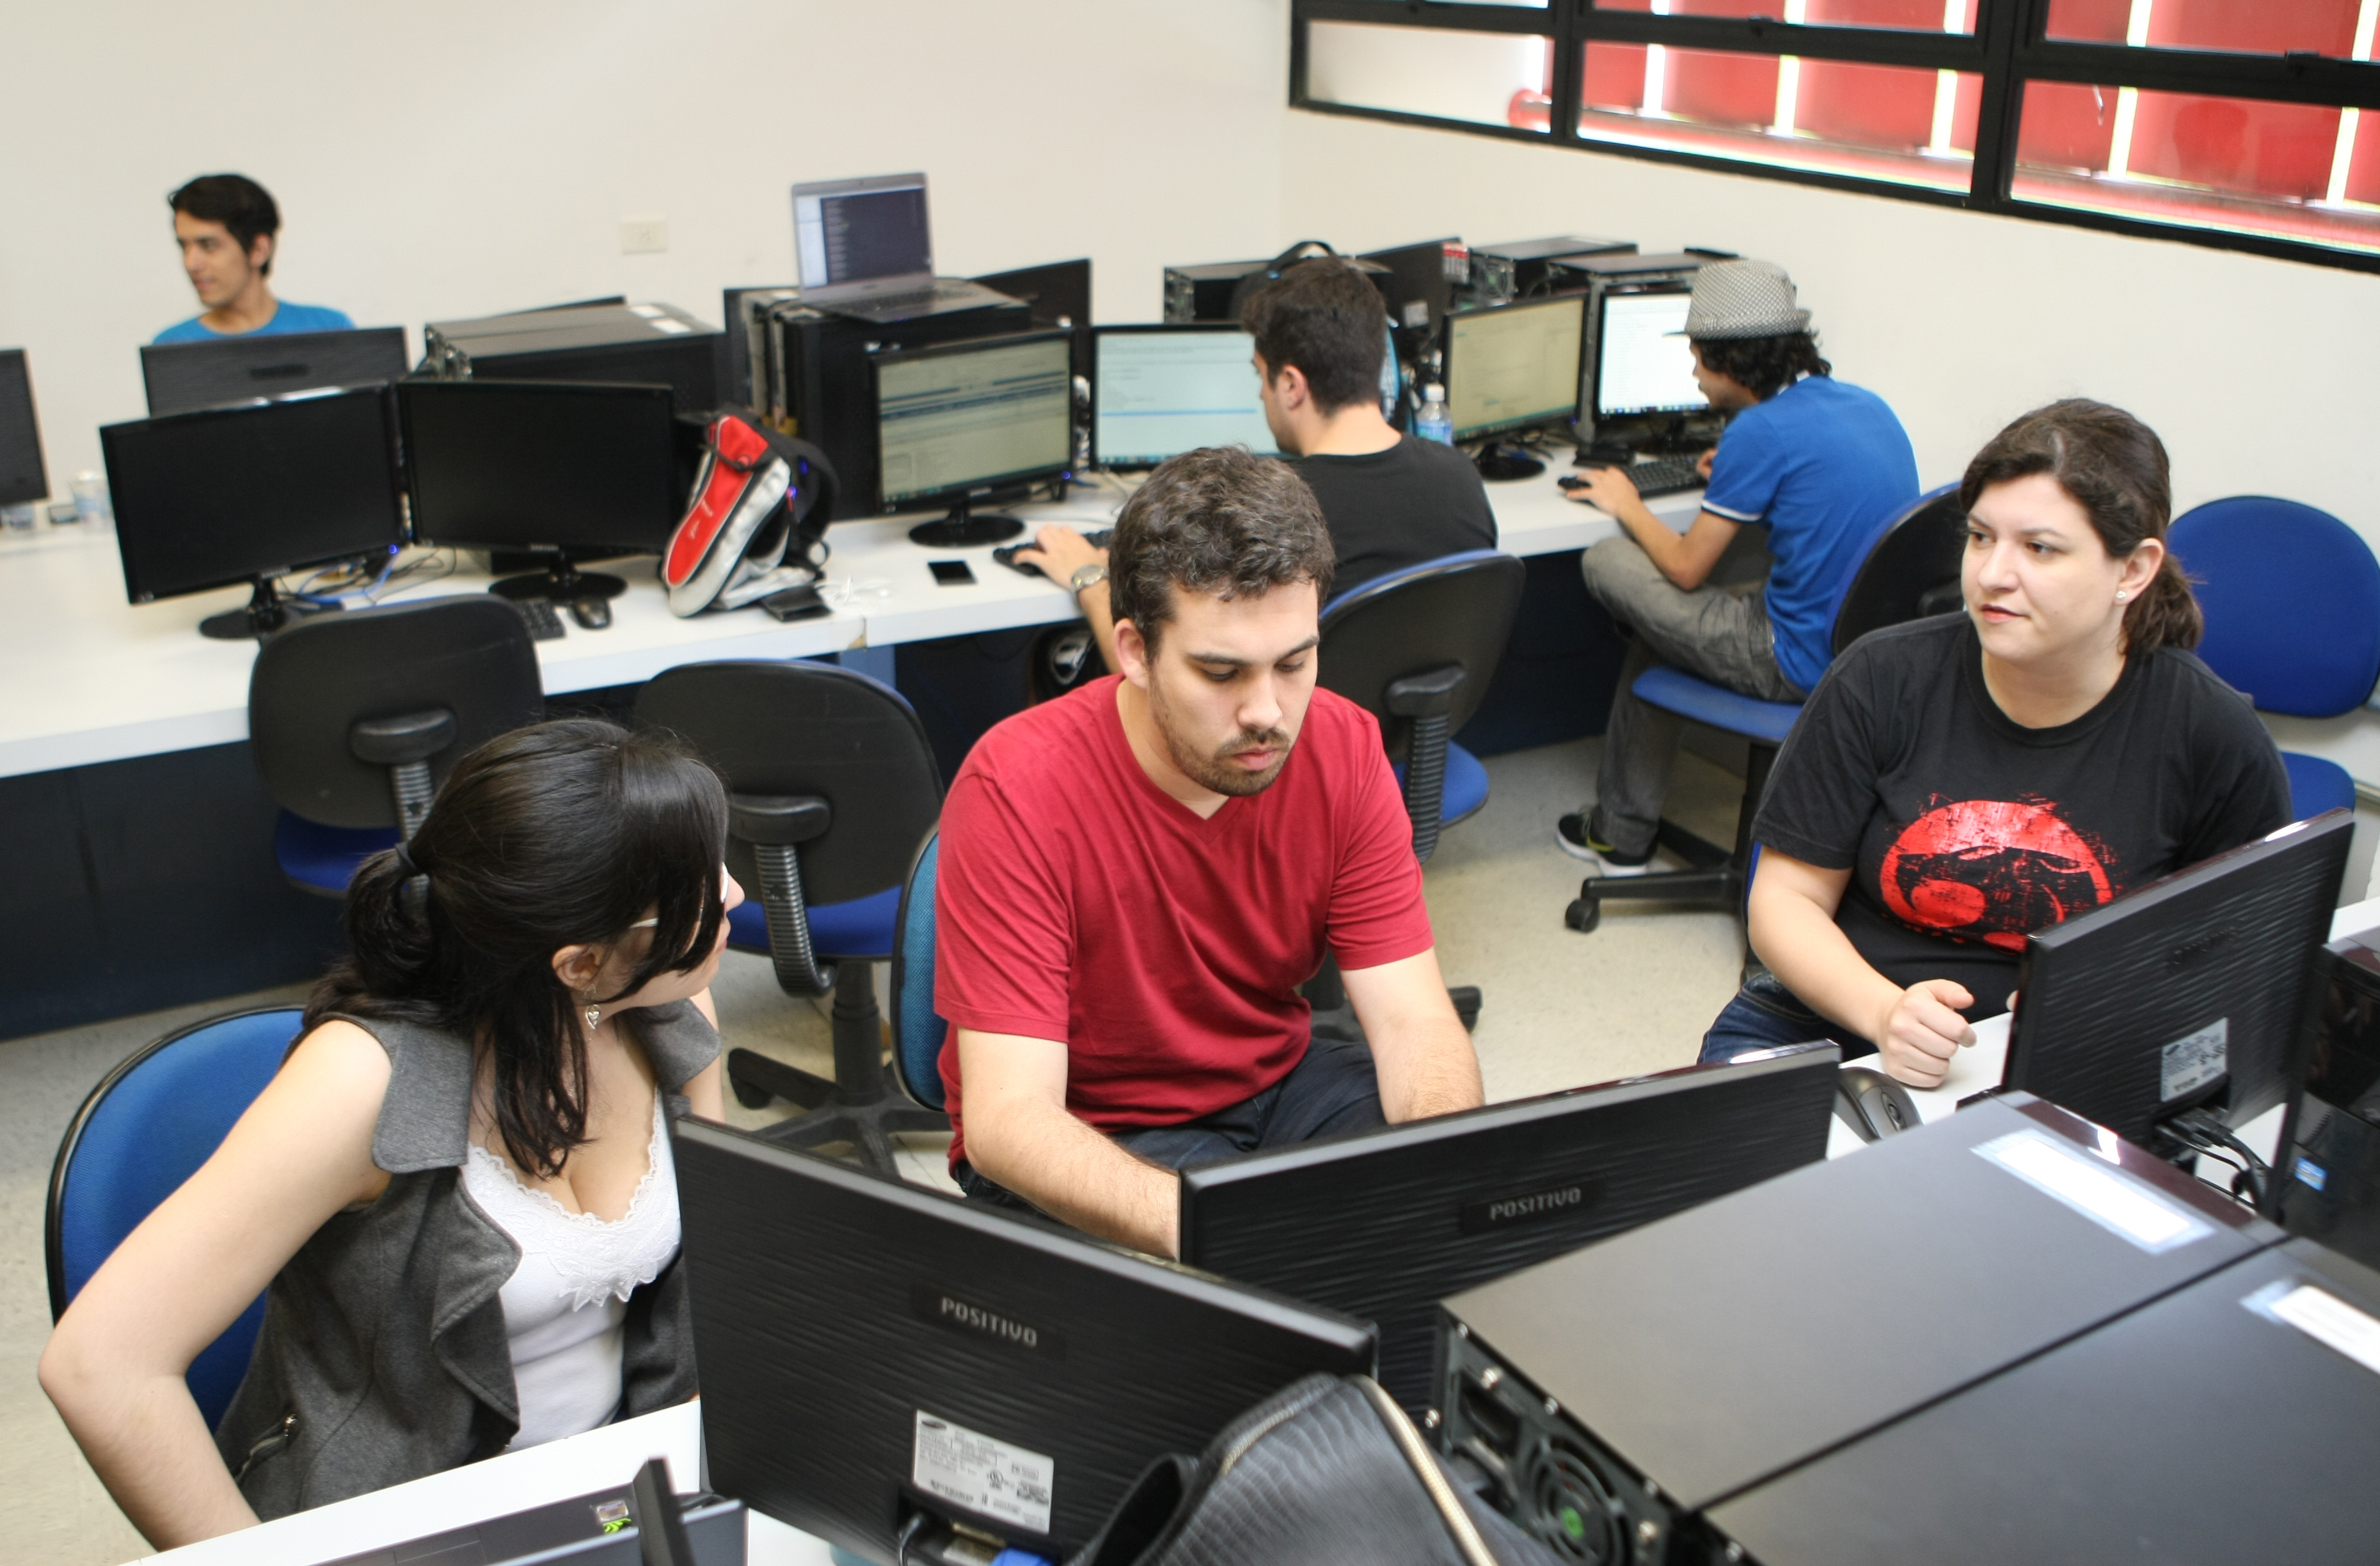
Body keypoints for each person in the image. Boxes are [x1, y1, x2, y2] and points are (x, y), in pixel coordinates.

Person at [40, 720, 740, 1547]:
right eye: (697, 886)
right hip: (410, 1517)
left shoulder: (667, 1014)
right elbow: (101, 1369)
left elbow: (718, 1251)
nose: (730, 893)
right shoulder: (359, 1084)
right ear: (579, 963)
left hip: (623, 1487)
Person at [935, 446, 1486, 1258]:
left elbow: (1413, 1020)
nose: (1268, 711)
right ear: (1134, 651)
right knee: (1265, 1306)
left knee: (1438, 1221)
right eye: (1221, 672)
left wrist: (1442, 1179)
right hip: (1099, 1125)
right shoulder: (1017, 786)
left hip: (1278, 1082)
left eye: (1294, 663)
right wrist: (1238, 1237)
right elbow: (1008, 1122)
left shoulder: (1344, 746)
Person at [1700, 400, 2290, 1085]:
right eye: (1981, 538)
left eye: (2039, 548)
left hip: (2080, 1047)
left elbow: (2241, 955)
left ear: (2133, 571)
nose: (1991, 575)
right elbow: (1784, 902)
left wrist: (2113, 1005)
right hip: (1841, 1011)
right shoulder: (1881, 677)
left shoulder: (2210, 734)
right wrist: (1886, 1015)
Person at [1557, 258, 1917, 874]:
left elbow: (1686, 569)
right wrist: (1735, 474)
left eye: (1698, 357)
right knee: (1667, 625)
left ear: (1731, 359)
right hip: (1865, 651)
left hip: (1790, 658)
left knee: (1607, 559)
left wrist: (1627, 502)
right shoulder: (1863, 404)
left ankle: (1623, 834)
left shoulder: (1760, 432)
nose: (1694, 373)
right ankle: (1622, 830)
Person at [1019, 256, 1497, 672]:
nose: (1260, 394)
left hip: (1285, 753)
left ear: (1291, 385)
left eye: (1260, 377)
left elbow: (1156, 672)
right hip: (1415, 737)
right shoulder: (1458, 475)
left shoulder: (1277, 513)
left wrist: (1089, 578)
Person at [155, 174, 355, 344]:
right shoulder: (171, 346)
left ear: (259, 250)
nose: (190, 264)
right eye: (184, 247)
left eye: (209, 246)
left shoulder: (329, 330)